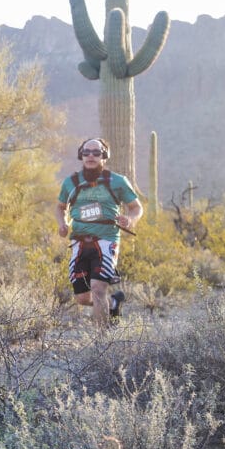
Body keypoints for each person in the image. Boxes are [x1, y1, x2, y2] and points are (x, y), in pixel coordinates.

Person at [55, 138, 143, 325]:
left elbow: (136, 207)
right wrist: (62, 224)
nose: (91, 156)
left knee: (98, 288)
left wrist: (131, 220)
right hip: (79, 242)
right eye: (86, 152)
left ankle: (101, 342)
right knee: (82, 298)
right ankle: (113, 302)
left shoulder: (117, 181)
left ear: (105, 156)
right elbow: (60, 207)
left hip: (106, 240)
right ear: (81, 155)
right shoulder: (70, 182)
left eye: (96, 152)